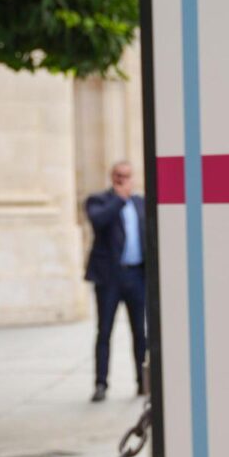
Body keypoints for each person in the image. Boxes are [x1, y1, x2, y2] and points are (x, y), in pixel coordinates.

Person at [83, 160, 148, 402]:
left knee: (139, 333)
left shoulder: (141, 204)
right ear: (112, 177)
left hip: (135, 276)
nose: (123, 179)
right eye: (118, 176)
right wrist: (118, 199)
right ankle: (101, 383)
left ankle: (143, 382)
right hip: (109, 278)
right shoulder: (99, 201)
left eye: (127, 176)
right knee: (104, 331)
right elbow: (98, 221)